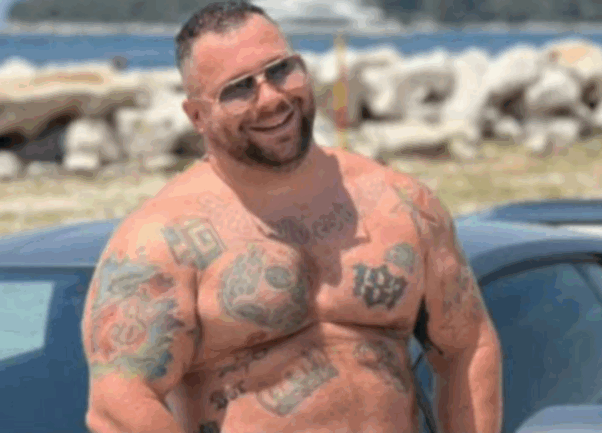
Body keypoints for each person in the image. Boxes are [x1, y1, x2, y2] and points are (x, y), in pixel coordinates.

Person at [80, 2, 503, 433]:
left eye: (281, 70)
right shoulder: (161, 240)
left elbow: (468, 345)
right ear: (197, 117)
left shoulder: (401, 204)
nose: (272, 98)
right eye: (239, 89)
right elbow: (118, 402)